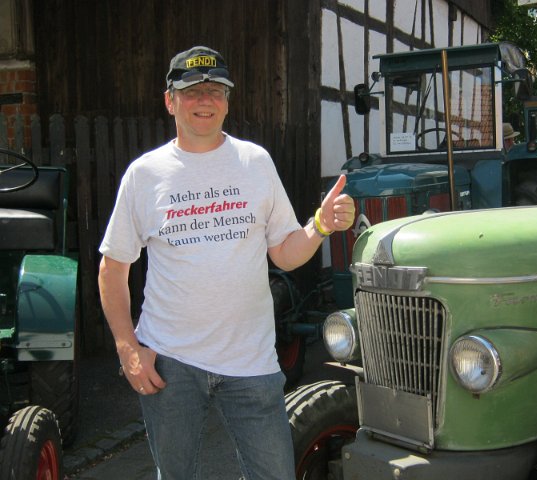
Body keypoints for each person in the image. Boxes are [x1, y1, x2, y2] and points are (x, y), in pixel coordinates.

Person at [97, 46, 355, 480]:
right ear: (170, 101)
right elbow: (112, 269)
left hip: (252, 361)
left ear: (227, 101)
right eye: (192, 91)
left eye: (215, 90)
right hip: (171, 363)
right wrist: (127, 349)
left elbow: (284, 252)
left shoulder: (255, 162)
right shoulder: (145, 175)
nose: (205, 100)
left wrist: (320, 226)